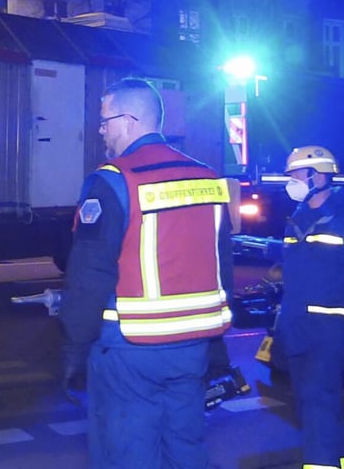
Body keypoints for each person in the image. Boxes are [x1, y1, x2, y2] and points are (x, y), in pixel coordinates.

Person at [59, 77, 232, 469]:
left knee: (129, 452)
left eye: (105, 121)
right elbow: (222, 269)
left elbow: (89, 274)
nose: (101, 130)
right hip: (192, 350)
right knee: (186, 449)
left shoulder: (112, 181)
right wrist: (216, 343)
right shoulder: (208, 180)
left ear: (130, 121)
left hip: (129, 351)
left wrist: (73, 347)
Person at [277, 145, 344, 469]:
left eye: (297, 174)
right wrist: (280, 332)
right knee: (316, 409)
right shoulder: (297, 219)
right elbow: (293, 283)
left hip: (330, 330)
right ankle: (341, 463)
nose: (291, 181)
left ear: (319, 175)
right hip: (297, 328)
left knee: (317, 408)